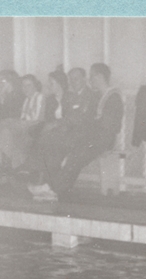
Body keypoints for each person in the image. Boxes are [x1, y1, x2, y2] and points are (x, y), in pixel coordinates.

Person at [30, 63, 122, 201]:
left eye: (92, 76)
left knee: (77, 155)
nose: (90, 79)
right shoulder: (100, 95)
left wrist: (88, 130)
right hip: (93, 136)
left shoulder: (112, 97)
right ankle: (50, 185)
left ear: (100, 76)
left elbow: (107, 127)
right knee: (58, 145)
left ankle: (55, 190)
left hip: (104, 139)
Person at [0, 74, 44, 183]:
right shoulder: (27, 99)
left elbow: (37, 119)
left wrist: (15, 122)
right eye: (23, 86)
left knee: (4, 125)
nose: (25, 88)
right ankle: (5, 172)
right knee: (5, 134)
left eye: (29, 85)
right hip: (23, 127)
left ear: (35, 86)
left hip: (33, 129)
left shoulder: (39, 97)